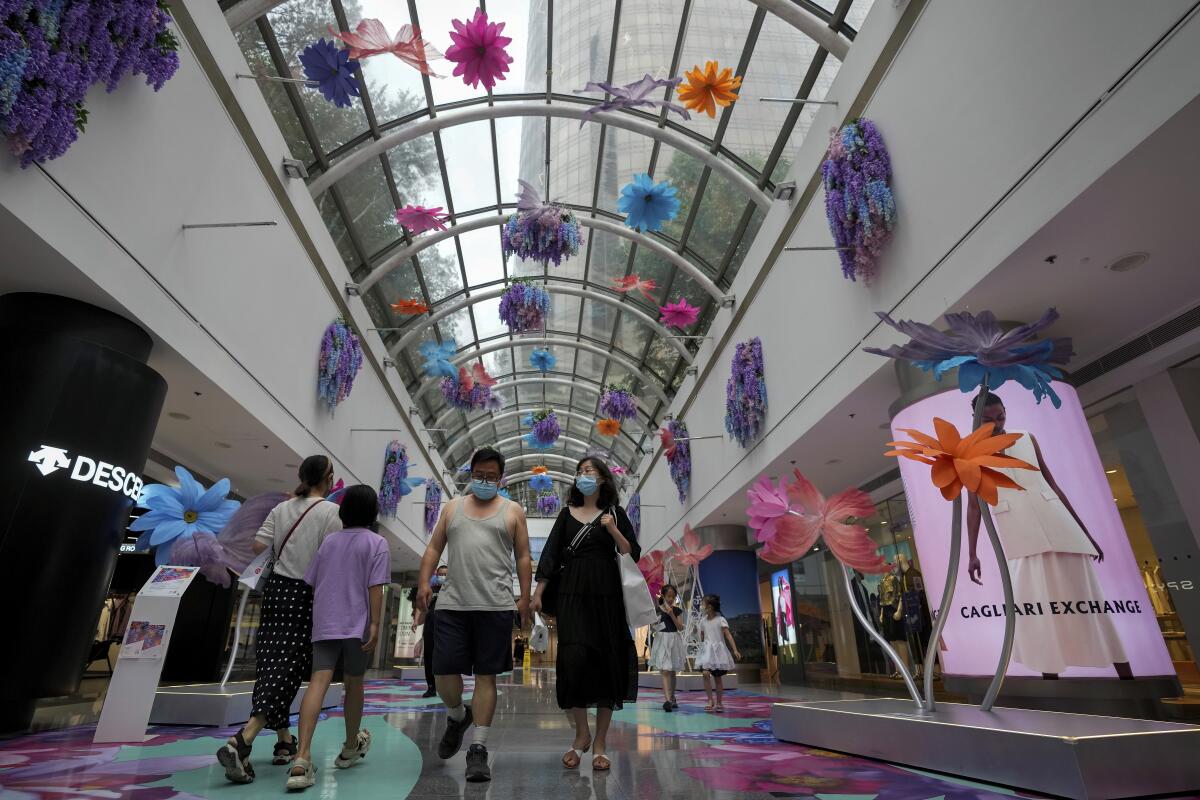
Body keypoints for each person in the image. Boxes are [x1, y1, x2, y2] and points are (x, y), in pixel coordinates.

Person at [966, 392, 1132, 679]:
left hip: (1059, 525)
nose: (997, 423)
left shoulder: (1026, 438)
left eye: (1001, 416)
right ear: (976, 420)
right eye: (988, 420)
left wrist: (1084, 532)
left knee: (1088, 599)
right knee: (1035, 608)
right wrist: (971, 553)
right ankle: (1051, 682)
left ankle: (1126, 676)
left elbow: (1052, 485)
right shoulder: (971, 456)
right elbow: (973, 507)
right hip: (1019, 534)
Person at [217, 456, 342, 784]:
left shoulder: (281, 509)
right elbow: (332, 555)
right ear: (327, 479)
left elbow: (259, 544)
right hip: (306, 594)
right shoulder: (331, 512)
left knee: (273, 662)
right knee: (289, 667)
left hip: (276, 592)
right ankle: (242, 739)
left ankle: (285, 741)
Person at [416, 448, 532, 783]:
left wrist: (523, 598)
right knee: (443, 672)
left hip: (495, 605)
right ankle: (456, 715)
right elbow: (434, 547)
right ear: (471, 473)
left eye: (491, 476)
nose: (484, 481)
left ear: (500, 478)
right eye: (479, 474)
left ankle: (478, 748)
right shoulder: (453, 508)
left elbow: (523, 556)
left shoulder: (513, 511)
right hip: (452, 604)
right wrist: (424, 580)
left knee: (486, 677)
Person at [532, 457, 639, 772]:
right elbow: (550, 554)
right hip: (572, 595)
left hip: (607, 596)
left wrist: (613, 530)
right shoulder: (566, 515)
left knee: (607, 663)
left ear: (604, 479)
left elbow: (631, 551)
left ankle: (601, 743)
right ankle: (581, 735)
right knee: (574, 661)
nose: (583, 476)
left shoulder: (615, 513)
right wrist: (538, 592)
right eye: (580, 472)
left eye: (589, 472)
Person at [285, 485, 390, 790]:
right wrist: (375, 624)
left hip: (325, 621)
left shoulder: (329, 541)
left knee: (318, 681)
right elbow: (375, 587)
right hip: (357, 624)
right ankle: (349, 746)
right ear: (373, 513)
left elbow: (313, 580)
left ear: (343, 511)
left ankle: (301, 759)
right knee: (354, 682)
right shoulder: (377, 543)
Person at [695, 594, 740, 713]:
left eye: (703, 604)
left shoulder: (720, 620)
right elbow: (702, 637)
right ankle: (710, 699)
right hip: (707, 652)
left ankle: (719, 701)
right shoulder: (703, 621)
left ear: (709, 607)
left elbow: (728, 635)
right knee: (705, 673)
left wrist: (735, 649)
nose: (701, 606)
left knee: (717, 678)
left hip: (718, 652)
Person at [410, 564, 448, 698]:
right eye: (441, 574)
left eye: (445, 574)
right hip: (431, 626)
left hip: (447, 628)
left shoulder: (452, 589)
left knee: (446, 658)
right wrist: (416, 620)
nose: (443, 577)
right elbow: (421, 606)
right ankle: (431, 687)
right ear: (436, 575)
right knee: (429, 657)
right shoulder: (430, 589)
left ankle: (446, 688)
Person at [649, 584, 685, 712]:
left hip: (674, 640)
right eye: (668, 596)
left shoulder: (677, 610)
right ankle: (667, 700)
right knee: (664, 671)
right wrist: (655, 624)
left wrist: (672, 615)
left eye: (673, 596)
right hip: (662, 640)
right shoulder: (657, 610)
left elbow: (680, 627)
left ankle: (673, 696)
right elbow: (653, 627)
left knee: (672, 671)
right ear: (663, 596)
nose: (671, 599)